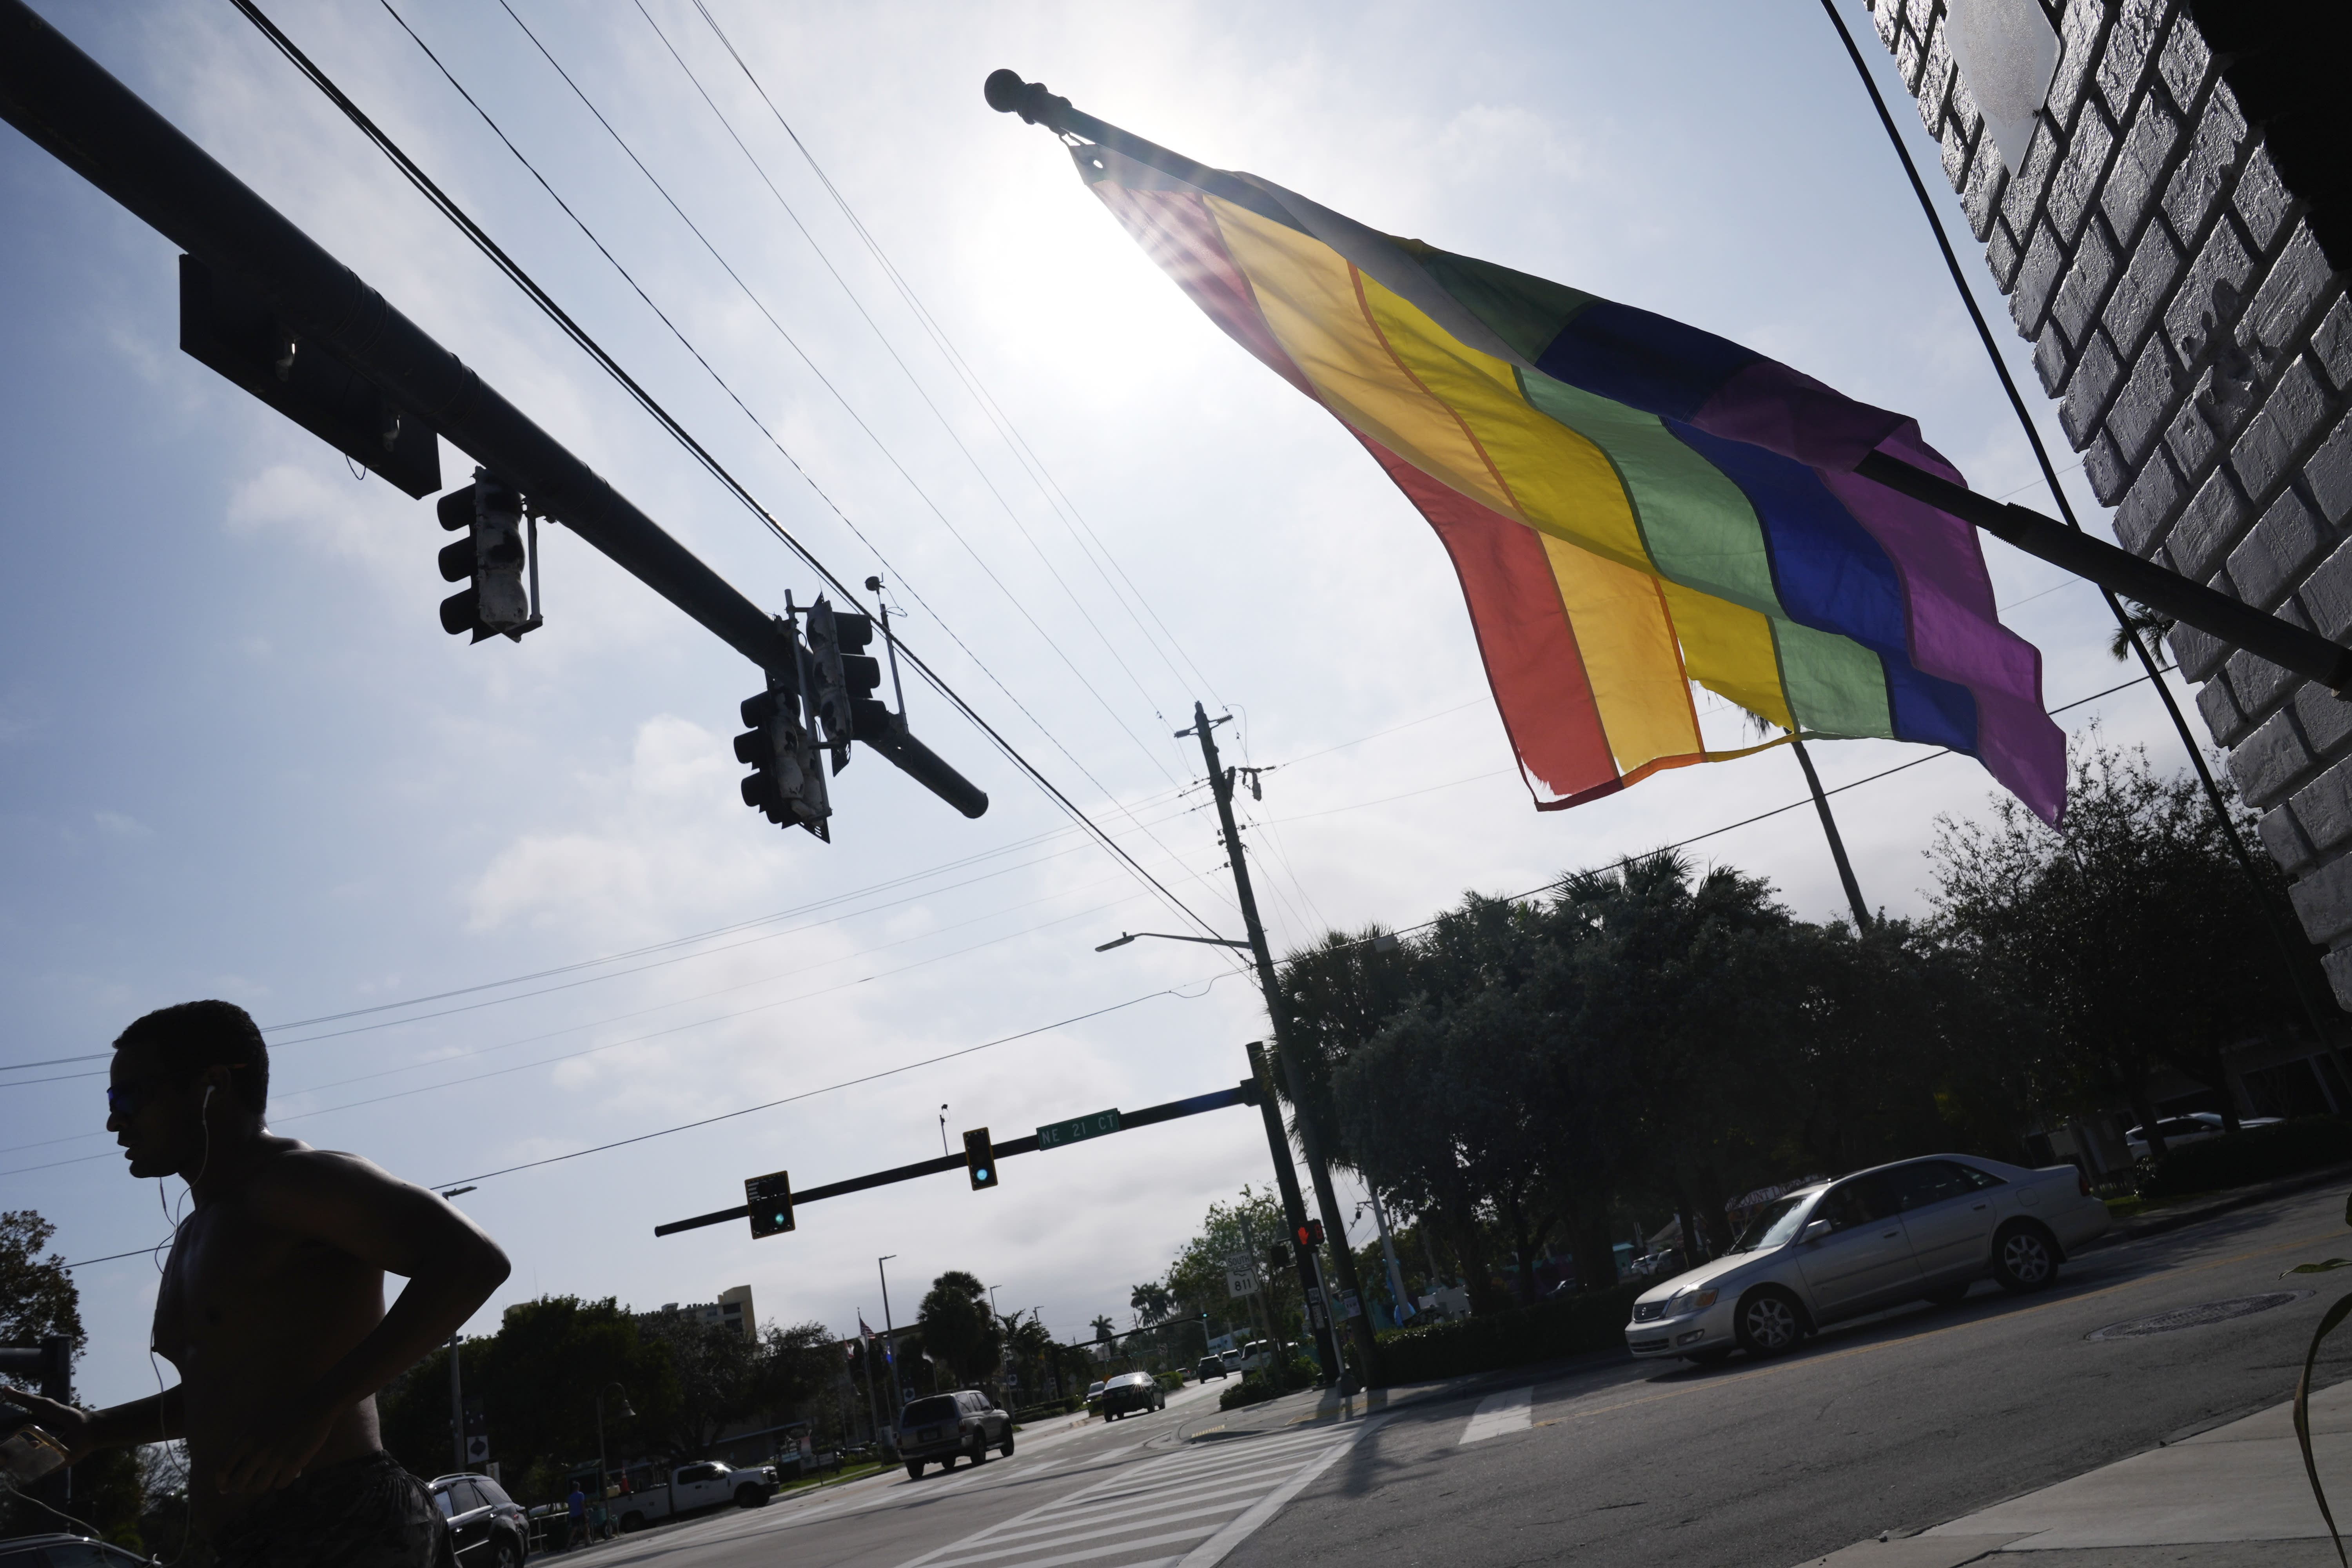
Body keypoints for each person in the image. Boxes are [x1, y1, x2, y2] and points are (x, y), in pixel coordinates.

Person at [1, 1001, 510, 1567]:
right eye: (111, 1102)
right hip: (247, 1545)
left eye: (130, 1097)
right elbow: (223, 1394)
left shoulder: (293, 1182)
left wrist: (319, 1408)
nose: (115, 1121)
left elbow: (473, 1261)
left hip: (346, 1525)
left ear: (212, 1085)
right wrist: (98, 1429)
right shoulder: (196, 1231)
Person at [564, 1482, 587, 1550]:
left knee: (574, 1529)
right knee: (586, 1527)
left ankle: (568, 1544)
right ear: (578, 1487)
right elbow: (582, 1505)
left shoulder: (570, 1497)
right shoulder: (581, 1495)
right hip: (580, 1513)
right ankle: (587, 1542)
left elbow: (570, 1507)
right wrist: (585, 1515)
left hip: (573, 1515)